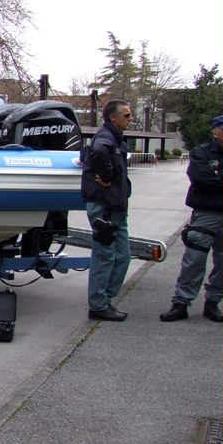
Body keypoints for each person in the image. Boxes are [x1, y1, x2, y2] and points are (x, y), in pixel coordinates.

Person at [160, 115, 223, 322]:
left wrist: (217, 177)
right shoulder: (201, 153)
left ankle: (213, 302)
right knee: (194, 260)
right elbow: (201, 179)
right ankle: (181, 303)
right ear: (216, 132)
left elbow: (212, 180)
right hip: (206, 214)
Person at [81, 98, 134, 321]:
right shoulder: (105, 138)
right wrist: (107, 175)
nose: (131, 119)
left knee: (123, 256)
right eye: (127, 115)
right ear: (113, 117)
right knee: (105, 257)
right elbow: (98, 152)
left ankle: (106, 299)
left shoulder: (116, 140)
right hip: (105, 208)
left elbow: (86, 153)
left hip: (116, 208)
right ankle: (98, 306)